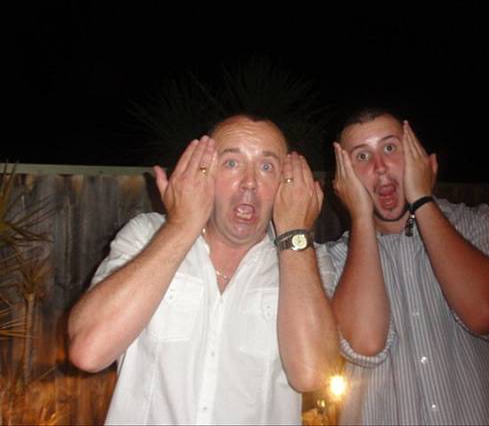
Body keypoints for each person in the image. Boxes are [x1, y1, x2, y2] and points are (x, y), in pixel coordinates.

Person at [67, 114, 339, 425]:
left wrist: (295, 235)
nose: (250, 182)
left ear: (283, 185)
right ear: (203, 171)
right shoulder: (146, 235)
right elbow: (89, 351)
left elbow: (313, 373)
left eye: (266, 167)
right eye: (232, 163)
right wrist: (182, 225)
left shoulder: (306, 259)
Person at [322, 108, 489, 425]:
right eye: (361, 157)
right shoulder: (334, 260)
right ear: (343, 181)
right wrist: (361, 216)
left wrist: (422, 199)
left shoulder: (481, 225)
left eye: (390, 148)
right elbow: (364, 343)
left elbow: (487, 314)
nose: (379, 167)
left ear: (423, 160)